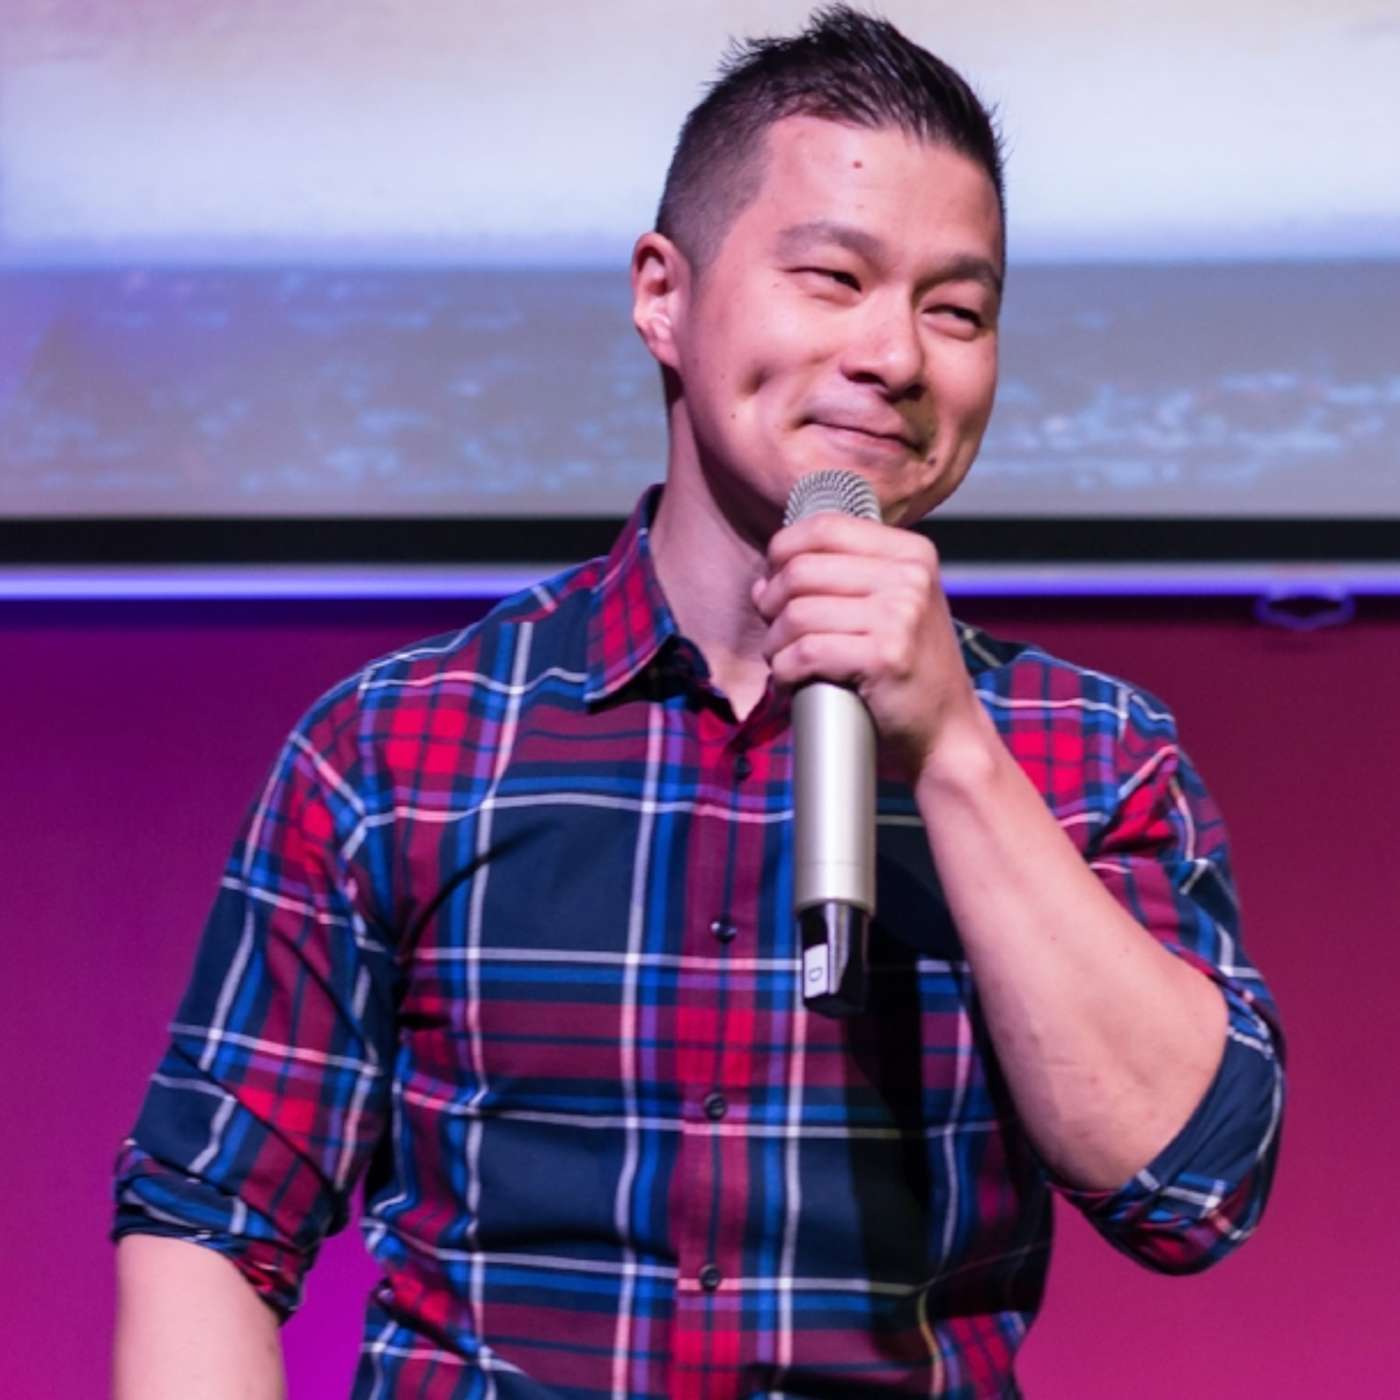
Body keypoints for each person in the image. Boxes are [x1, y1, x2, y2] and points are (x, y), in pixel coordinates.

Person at [113, 7, 1285, 1397]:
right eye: (834, 277)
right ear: (663, 294)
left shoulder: (1089, 755)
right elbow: (208, 1217)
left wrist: (951, 749)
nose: (895, 356)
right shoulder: (401, 745)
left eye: (956, 311)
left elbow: (1190, 1191)